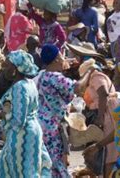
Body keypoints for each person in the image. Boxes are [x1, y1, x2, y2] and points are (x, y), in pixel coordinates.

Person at [0, 50, 52, 177]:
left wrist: (0, 113)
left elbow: (18, 119)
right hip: (32, 131)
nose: (4, 68)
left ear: (16, 68)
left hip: (22, 135)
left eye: (7, 65)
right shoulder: (29, 83)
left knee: (20, 171)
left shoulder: (20, 87)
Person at [35, 44, 84, 177]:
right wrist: (89, 72)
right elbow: (77, 88)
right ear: (56, 59)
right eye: (61, 56)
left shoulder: (42, 76)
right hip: (52, 126)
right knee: (55, 161)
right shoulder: (56, 77)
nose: (64, 59)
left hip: (41, 124)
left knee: (46, 160)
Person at [78, 59, 119, 177]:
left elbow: (103, 94)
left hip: (107, 113)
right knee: (104, 150)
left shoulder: (96, 77)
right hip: (103, 112)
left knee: (109, 150)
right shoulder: (93, 79)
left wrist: (100, 117)